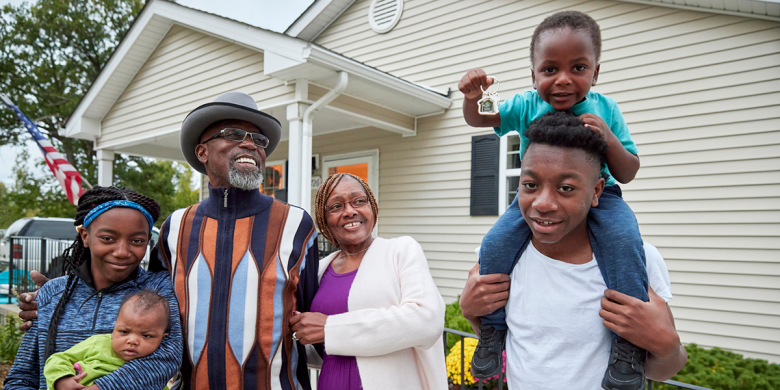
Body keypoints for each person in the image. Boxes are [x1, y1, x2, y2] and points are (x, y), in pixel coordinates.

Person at [16, 92, 321, 390]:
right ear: (202, 152)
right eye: (233, 133)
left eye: (259, 139)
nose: (249, 144)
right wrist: (54, 300)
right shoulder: (175, 227)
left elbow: (311, 312)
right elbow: (143, 302)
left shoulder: (296, 224)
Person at [458, 11, 648, 388]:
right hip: (533, 195)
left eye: (578, 67)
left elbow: (627, 171)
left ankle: (627, 344)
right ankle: (494, 333)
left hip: (603, 195)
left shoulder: (606, 108)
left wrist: (608, 137)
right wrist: (477, 95)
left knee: (625, 242)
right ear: (533, 75)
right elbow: (483, 118)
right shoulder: (528, 103)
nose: (563, 80)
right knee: (494, 242)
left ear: (595, 73)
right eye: (549, 69)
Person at [459, 111, 687, 390]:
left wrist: (668, 346)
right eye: (530, 185)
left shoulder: (637, 258)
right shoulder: (503, 257)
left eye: (566, 188)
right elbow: (513, 343)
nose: (543, 203)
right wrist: (470, 312)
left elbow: (662, 370)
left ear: (596, 192)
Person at [4, 186, 183, 390]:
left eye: (137, 241)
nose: (122, 252)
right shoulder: (53, 293)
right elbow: (21, 375)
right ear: (85, 237)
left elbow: (167, 357)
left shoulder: (159, 290)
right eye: (108, 238)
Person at [289, 173, 447, 390]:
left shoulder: (400, 251)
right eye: (336, 206)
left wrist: (329, 328)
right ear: (324, 219)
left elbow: (426, 321)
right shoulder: (320, 270)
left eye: (359, 201)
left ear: (372, 206)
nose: (349, 211)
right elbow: (321, 347)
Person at [44, 290, 172, 390]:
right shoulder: (98, 343)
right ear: (113, 330)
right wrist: (62, 380)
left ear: (163, 338)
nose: (132, 341)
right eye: (124, 332)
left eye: (147, 336)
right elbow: (58, 359)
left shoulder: (157, 365)